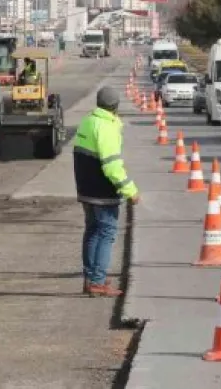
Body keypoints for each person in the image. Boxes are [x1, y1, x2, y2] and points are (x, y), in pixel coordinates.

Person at [73, 86, 140, 297]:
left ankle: (90, 278)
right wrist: (130, 190)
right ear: (115, 106)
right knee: (107, 233)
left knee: (92, 232)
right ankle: (98, 282)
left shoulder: (88, 121)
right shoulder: (107, 126)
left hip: (85, 188)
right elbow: (112, 165)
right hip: (102, 191)